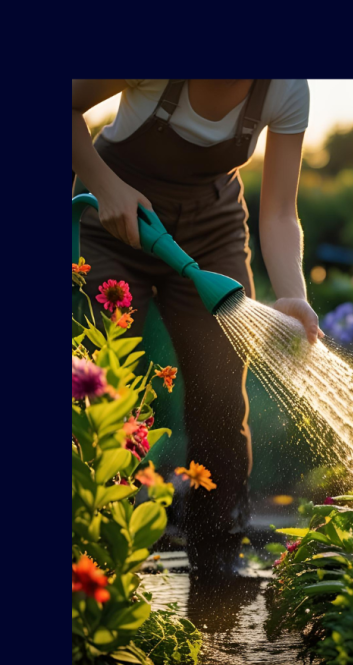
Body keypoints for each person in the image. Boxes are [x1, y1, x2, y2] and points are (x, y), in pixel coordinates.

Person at [72, 79, 322, 577]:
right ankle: (94, 553)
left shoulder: (287, 87)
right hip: (117, 220)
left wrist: (293, 294)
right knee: (98, 388)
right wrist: (103, 184)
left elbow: (278, 212)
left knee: (221, 392)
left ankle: (219, 555)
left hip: (212, 230)